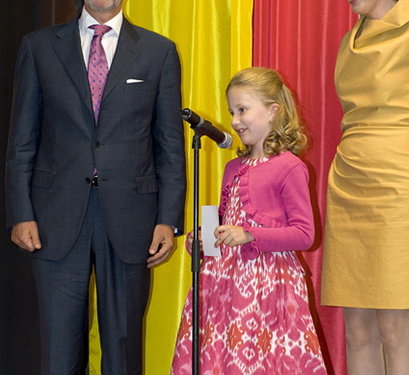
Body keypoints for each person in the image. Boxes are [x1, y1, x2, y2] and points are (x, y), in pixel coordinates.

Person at [5, 0, 186, 373]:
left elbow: (169, 145)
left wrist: (168, 219)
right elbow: (21, 140)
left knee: (123, 349)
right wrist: (20, 213)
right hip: (54, 216)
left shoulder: (159, 51)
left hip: (132, 218)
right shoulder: (39, 46)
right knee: (58, 350)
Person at [321, 0, 409, 374]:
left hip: (402, 185)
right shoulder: (348, 40)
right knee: (356, 328)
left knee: (394, 326)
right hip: (350, 179)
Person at [171, 67, 327, 374]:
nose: (234, 121)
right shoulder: (233, 167)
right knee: (223, 358)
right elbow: (225, 222)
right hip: (223, 285)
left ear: (273, 111)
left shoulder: (290, 167)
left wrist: (250, 234)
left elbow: (304, 234)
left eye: (243, 110)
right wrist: (203, 240)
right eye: (232, 112)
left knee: (263, 360)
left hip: (267, 286)